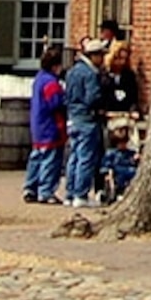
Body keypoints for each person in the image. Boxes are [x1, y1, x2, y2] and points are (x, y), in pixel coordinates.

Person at [62, 39, 111, 207]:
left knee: (74, 157)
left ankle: (69, 193)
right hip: (87, 119)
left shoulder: (72, 71)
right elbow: (93, 97)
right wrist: (100, 107)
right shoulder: (91, 74)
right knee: (86, 157)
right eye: (101, 56)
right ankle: (81, 194)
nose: (103, 60)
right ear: (94, 56)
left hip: (73, 117)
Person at [24, 42, 68, 204]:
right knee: (50, 160)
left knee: (36, 157)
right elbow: (55, 104)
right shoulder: (51, 83)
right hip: (51, 127)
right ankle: (46, 191)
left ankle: (30, 187)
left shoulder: (39, 79)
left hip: (38, 125)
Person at [97, 20, 145, 116]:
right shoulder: (104, 76)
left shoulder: (129, 76)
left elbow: (133, 97)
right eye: (119, 59)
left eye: (125, 59)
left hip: (124, 115)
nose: (122, 62)